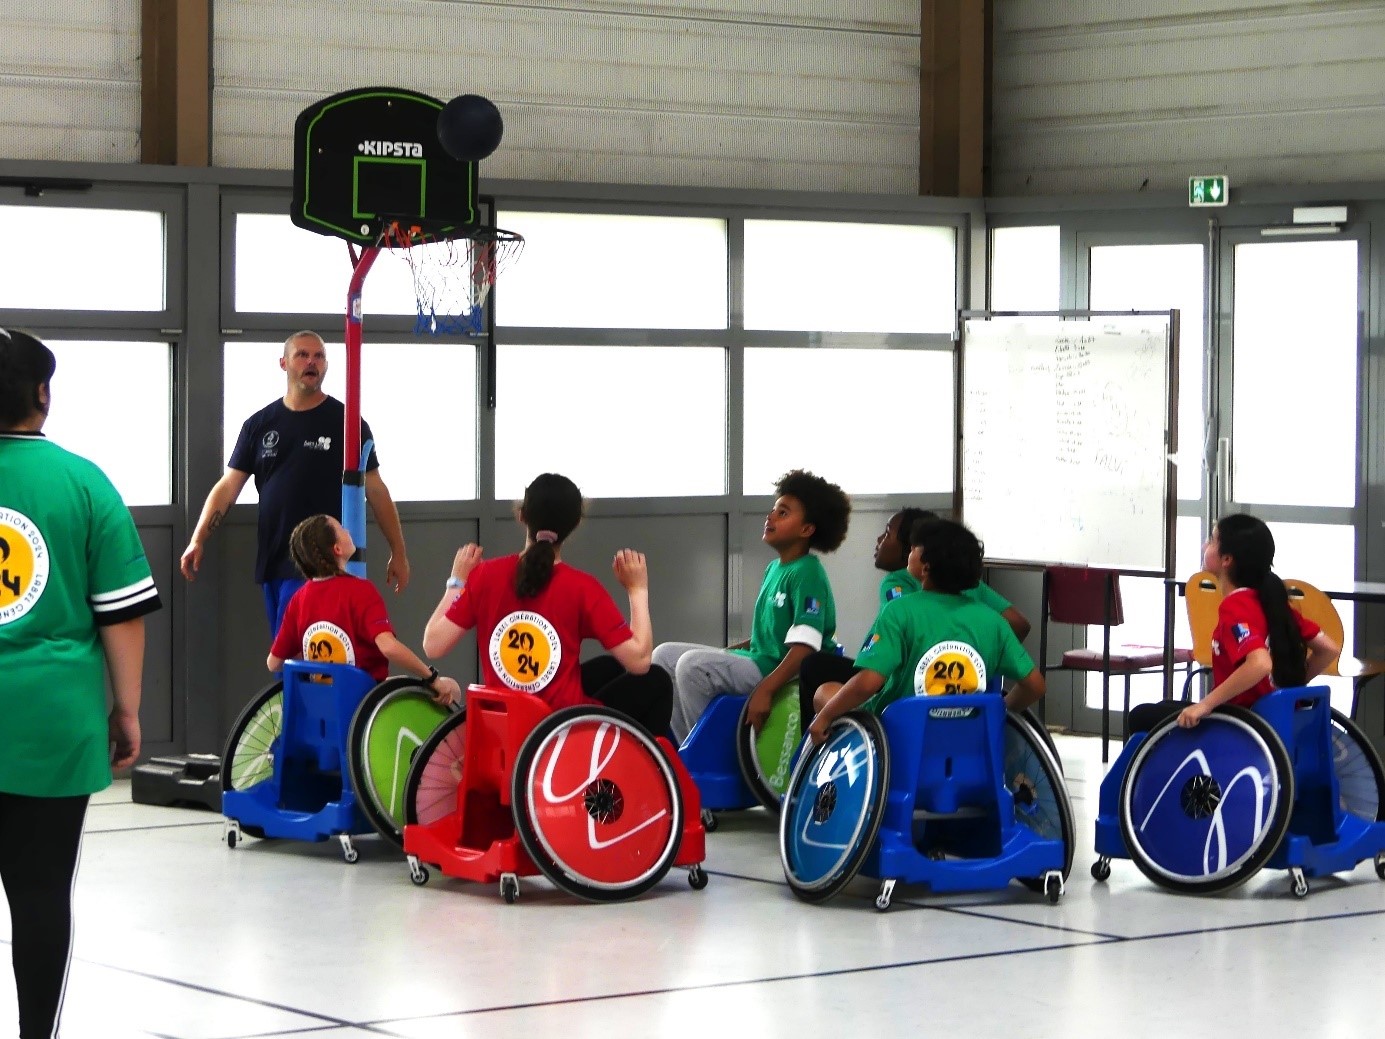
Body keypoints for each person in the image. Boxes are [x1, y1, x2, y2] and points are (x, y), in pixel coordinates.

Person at [0, 328, 162, 1039]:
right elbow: (121, 617)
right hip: (52, 721)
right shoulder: (85, 481)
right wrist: (125, 709)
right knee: (39, 893)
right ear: (42, 393)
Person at [179, 330, 410, 635]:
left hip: (322, 568)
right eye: (302, 355)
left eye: (319, 356)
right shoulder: (259, 425)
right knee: (284, 662)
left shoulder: (347, 423)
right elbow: (228, 488)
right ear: (284, 363)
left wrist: (399, 552)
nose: (311, 362)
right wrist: (198, 539)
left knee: (314, 661)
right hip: (275, 563)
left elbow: (376, 490)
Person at [422, 473, 672, 734]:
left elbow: (433, 644)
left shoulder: (485, 575)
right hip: (560, 727)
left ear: (522, 515)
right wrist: (637, 589)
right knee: (657, 680)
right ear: (574, 524)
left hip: (505, 721)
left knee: (610, 667)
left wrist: (457, 582)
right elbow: (640, 661)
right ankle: (642, 770)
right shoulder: (582, 588)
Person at [806, 517, 1044, 745]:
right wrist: (1000, 712)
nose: (909, 552)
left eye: (913, 549)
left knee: (824, 693)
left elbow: (868, 683)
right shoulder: (993, 622)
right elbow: (1035, 686)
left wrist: (825, 717)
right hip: (965, 735)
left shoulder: (899, 611)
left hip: (897, 734)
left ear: (926, 567)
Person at [655, 469, 851, 742]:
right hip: (758, 660)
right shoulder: (774, 568)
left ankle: (708, 753)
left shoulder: (808, 572)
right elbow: (768, 636)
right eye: (773, 510)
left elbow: (806, 647)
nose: (770, 517)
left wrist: (767, 689)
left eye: (783, 513)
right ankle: (685, 749)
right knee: (663, 656)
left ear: (807, 529)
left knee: (691, 666)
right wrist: (725, 653)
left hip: (778, 670)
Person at [1129, 513, 1338, 733]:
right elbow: (1329, 649)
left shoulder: (1236, 606)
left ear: (1226, 559)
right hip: (1274, 716)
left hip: (1243, 720)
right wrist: (1286, 689)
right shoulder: (1272, 601)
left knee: (1141, 716)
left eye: (1211, 540)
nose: (1204, 545)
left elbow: (1260, 663)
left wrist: (1206, 704)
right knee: (1164, 707)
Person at [267, 514, 461, 706]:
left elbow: (273, 663)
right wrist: (432, 677)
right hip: (364, 703)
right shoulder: (360, 590)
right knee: (451, 688)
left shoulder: (299, 599)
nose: (348, 530)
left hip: (323, 704)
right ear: (337, 549)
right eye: (341, 528)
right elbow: (388, 647)